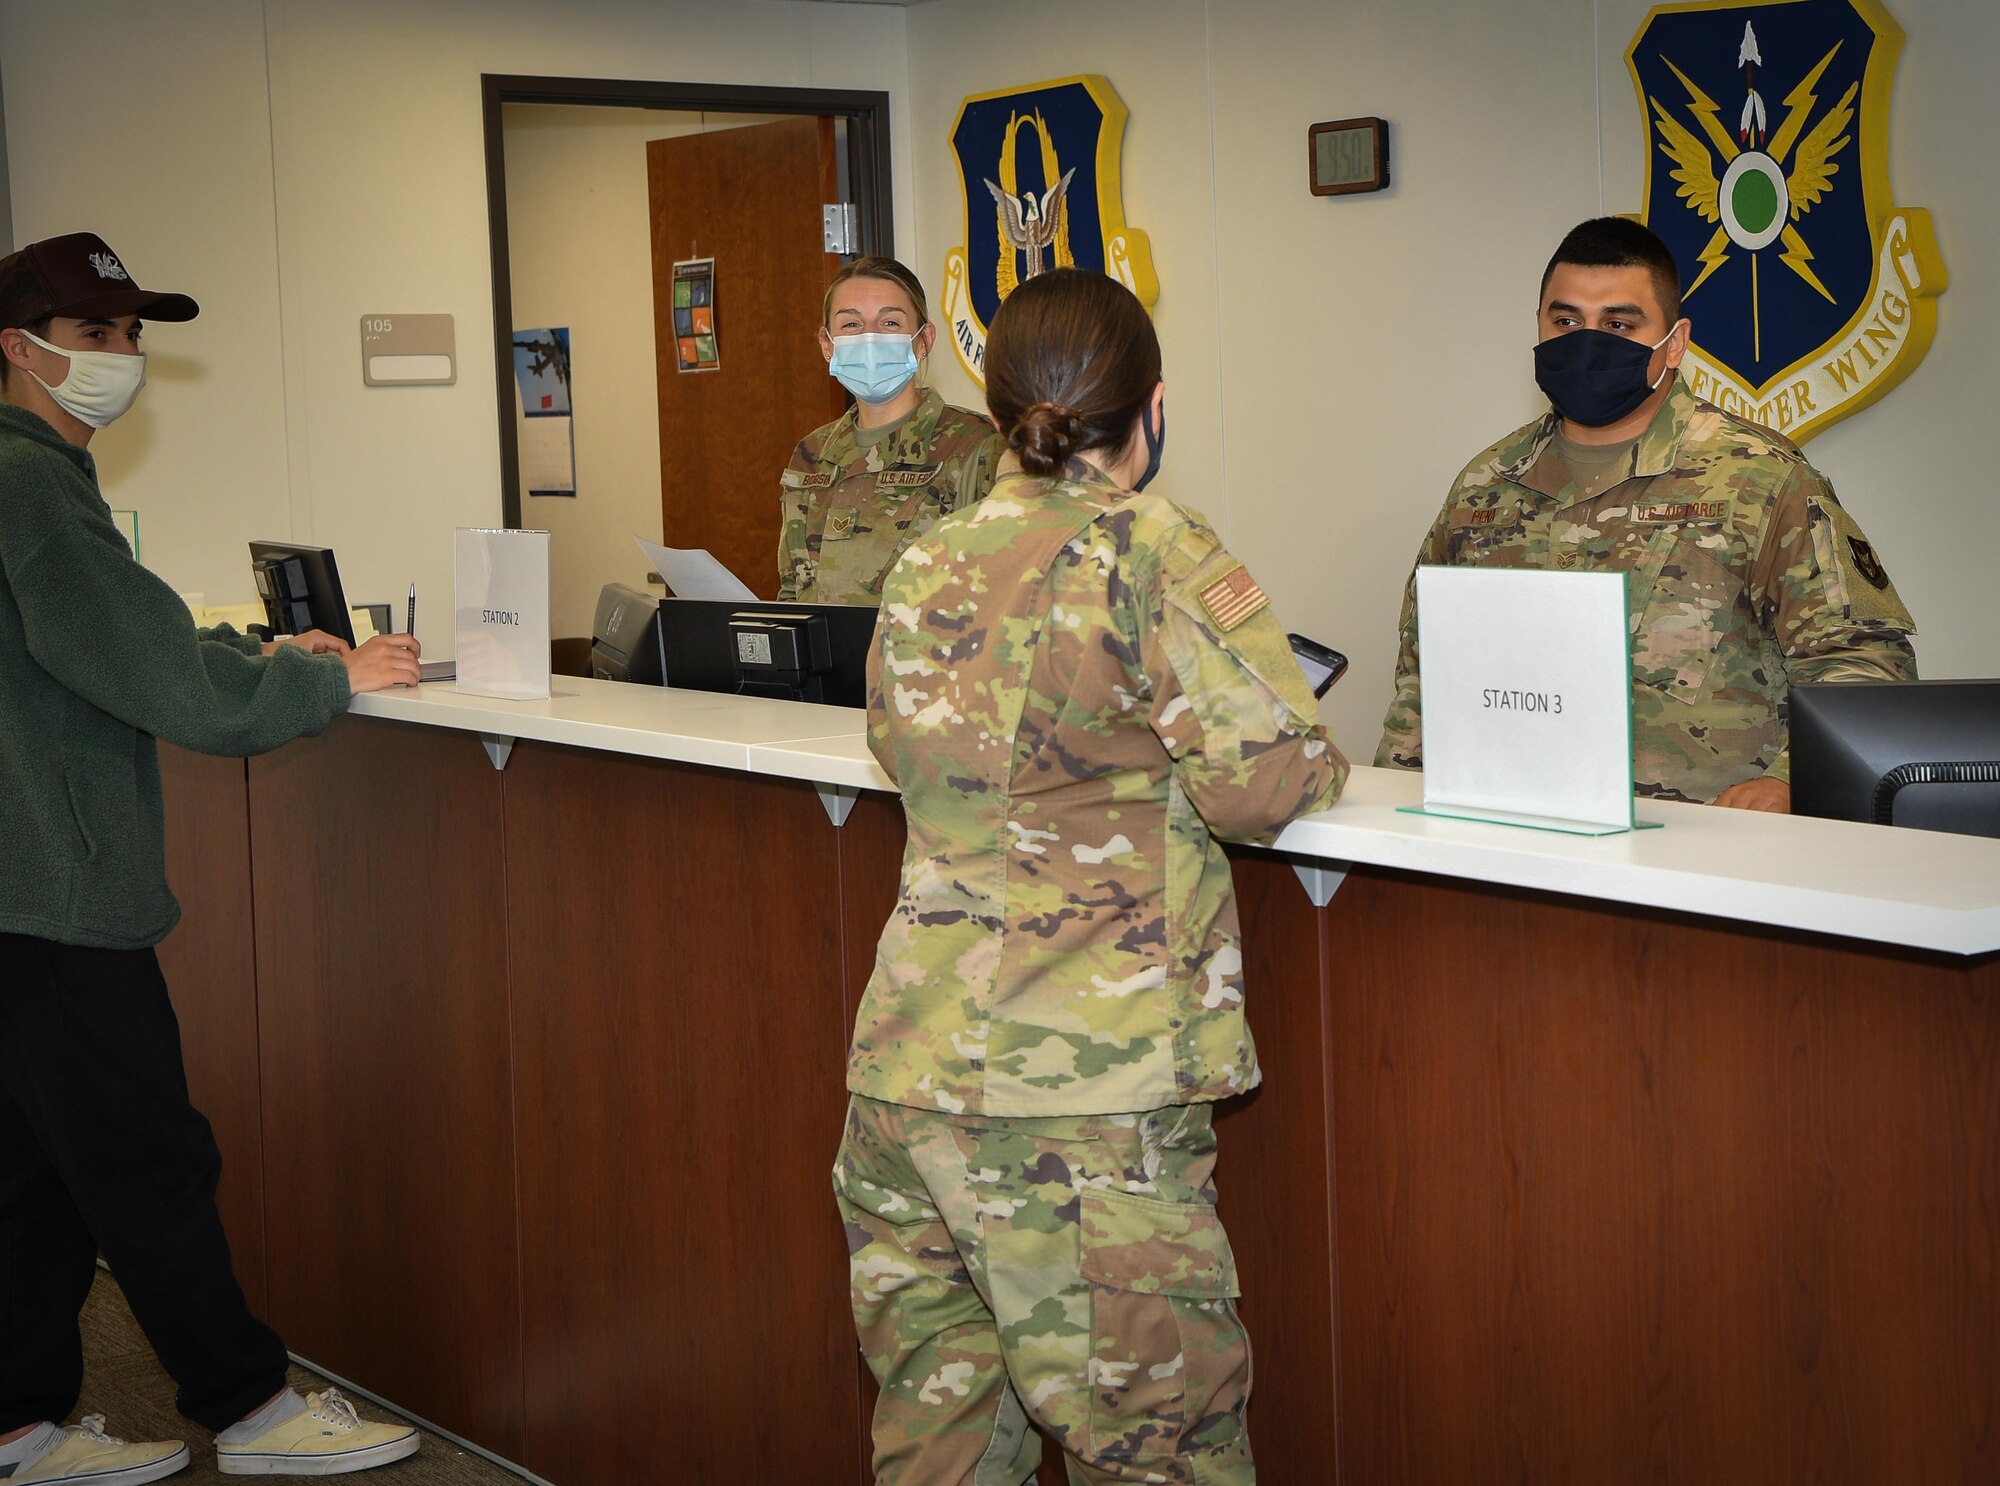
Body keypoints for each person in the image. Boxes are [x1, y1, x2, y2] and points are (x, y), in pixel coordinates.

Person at [836, 266, 1348, 1484]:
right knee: (1160, 1447)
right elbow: (1266, 781)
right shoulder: (1148, 546)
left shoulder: (925, 558)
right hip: (1080, 1111)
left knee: (941, 1445)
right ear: (1149, 411)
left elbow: (897, 752)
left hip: (906, 1078)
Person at [0, 232, 423, 1483]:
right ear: (18, 349)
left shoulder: (32, 476)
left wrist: (272, 662)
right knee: (146, 1156)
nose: (121, 357)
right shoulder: (29, 483)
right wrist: (318, 685)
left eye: (132, 334)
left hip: (21, 883)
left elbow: (129, 639)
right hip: (57, 886)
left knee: (36, 1168)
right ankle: (244, 1406)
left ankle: (17, 1422)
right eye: (93, 335)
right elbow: (154, 670)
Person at [1375, 216, 1916, 810]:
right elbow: (1425, 674)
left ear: (1674, 342)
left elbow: (1864, 660)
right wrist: (1398, 815)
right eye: (1566, 321)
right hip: (1516, 834)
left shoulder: (1758, 478)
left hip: (1701, 853)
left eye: (1618, 324)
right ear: (1538, 326)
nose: (1587, 339)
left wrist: (1792, 781)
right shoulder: (1486, 486)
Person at [776, 256, 1001, 603]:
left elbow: (997, 590)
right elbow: (792, 591)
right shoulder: (812, 453)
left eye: (890, 322)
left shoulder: (975, 445)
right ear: (826, 345)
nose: (869, 339)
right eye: (851, 325)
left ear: (924, 340)